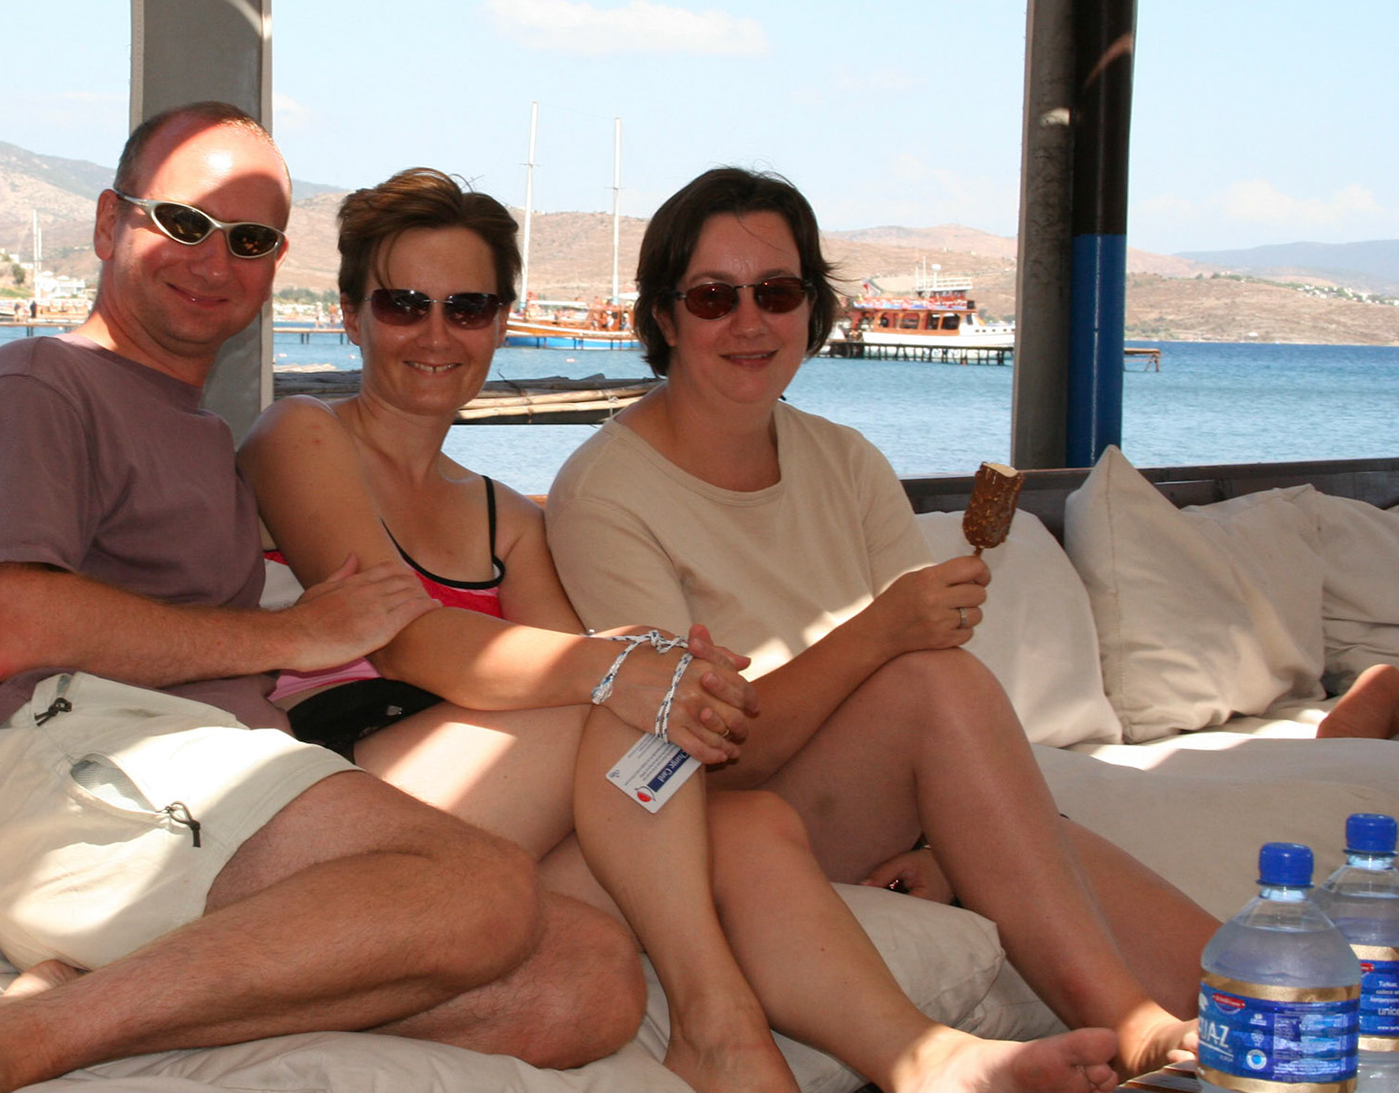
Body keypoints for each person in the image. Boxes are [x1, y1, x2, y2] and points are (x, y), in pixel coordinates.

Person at [241, 167, 1122, 1093]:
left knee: (747, 821)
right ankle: (715, 1021)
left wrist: (656, 669)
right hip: (359, 774)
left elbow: (592, 686)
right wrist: (632, 671)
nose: (436, 333)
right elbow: (411, 641)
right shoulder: (301, 434)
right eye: (403, 304)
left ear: (501, 323)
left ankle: (925, 1059)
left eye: (467, 307)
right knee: (636, 692)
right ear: (350, 317)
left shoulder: (504, 517)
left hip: (503, 810)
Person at [0, 106, 645, 1093]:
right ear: (107, 223)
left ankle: (85, 993)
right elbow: (13, 624)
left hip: (200, 780)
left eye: (250, 239)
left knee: (589, 979)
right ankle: (27, 1040)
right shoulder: (37, 383)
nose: (213, 259)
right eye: (183, 222)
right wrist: (291, 633)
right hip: (79, 759)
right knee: (477, 886)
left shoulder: (191, 433)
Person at [545, 166, 1223, 1081]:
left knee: (1239, 987)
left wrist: (937, 844)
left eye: (776, 292)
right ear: (664, 317)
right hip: (720, 822)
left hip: (861, 802)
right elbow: (688, 751)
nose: (749, 322)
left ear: (811, 308)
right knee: (932, 682)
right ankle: (1126, 1022)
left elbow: (932, 725)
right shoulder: (606, 493)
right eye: (712, 298)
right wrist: (877, 634)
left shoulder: (845, 460)